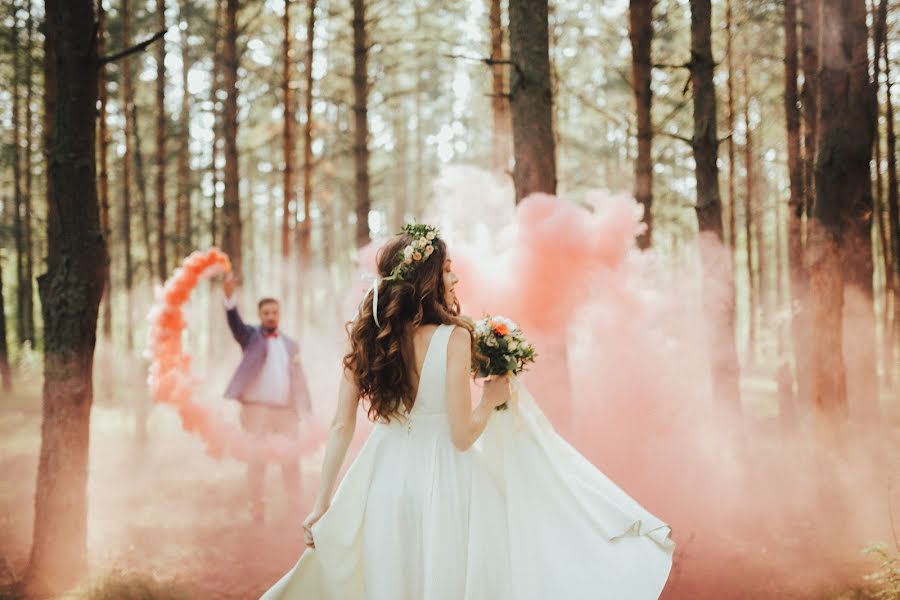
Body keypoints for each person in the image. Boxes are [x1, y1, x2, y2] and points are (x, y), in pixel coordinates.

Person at [260, 224, 674, 599]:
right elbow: (461, 435)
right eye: (447, 270)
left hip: (381, 480)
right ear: (426, 280)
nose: (454, 277)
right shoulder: (454, 338)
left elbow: (340, 424)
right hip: (446, 483)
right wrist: (490, 400)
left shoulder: (367, 336)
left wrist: (322, 503)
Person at [223, 274, 312, 523]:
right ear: (260, 315)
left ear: (279, 314)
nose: (270, 316)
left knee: (291, 460)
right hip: (256, 412)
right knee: (256, 460)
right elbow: (235, 325)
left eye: (274, 312)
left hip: (285, 412)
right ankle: (257, 508)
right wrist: (230, 299)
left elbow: (299, 378)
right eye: (266, 313)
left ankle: (295, 506)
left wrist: (304, 409)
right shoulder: (250, 336)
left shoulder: (291, 344)